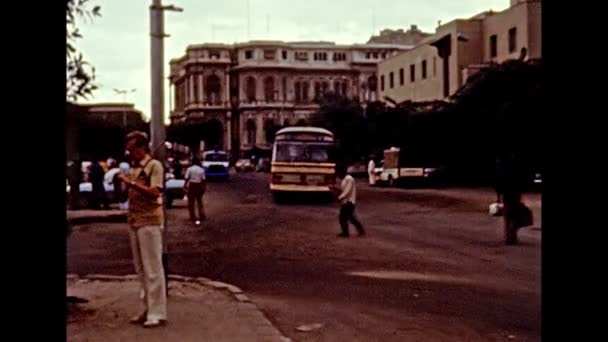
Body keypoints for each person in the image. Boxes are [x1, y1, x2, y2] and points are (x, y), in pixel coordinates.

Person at [115, 131, 167, 328]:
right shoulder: (134, 169)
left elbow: (155, 192)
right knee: (141, 268)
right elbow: (126, 194)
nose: (130, 153)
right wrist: (123, 185)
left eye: (133, 149)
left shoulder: (154, 166)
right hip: (134, 220)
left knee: (153, 267)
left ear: (142, 147)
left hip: (150, 221)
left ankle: (158, 311)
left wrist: (131, 183)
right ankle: (146, 307)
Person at [335, 167, 366, 238]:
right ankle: (360, 231)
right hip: (347, 201)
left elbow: (347, 191)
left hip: (349, 201)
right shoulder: (346, 179)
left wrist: (340, 197)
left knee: (343, 217)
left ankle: (345, 233)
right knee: (351, 217)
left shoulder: (349, 179)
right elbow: (344, 190)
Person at [184, 157, 207, 226]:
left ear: (192, 162)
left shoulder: (189, 169)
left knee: (191, 202)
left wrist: (185, 185)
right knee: (199, 201)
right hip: (199, 185)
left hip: (192, 185)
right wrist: (204, 188)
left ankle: (192, 216)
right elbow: (203, 180)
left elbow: (186, 178)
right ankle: (201, 215)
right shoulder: (201, 170)